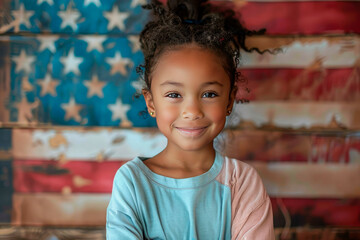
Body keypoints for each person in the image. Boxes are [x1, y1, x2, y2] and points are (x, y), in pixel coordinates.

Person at [106, 0, 275, 239]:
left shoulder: (241, 182)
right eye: (174, 95)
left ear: (229, 101)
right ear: (151, 102)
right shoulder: (132, 183)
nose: (192, 111)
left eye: (209, 94)